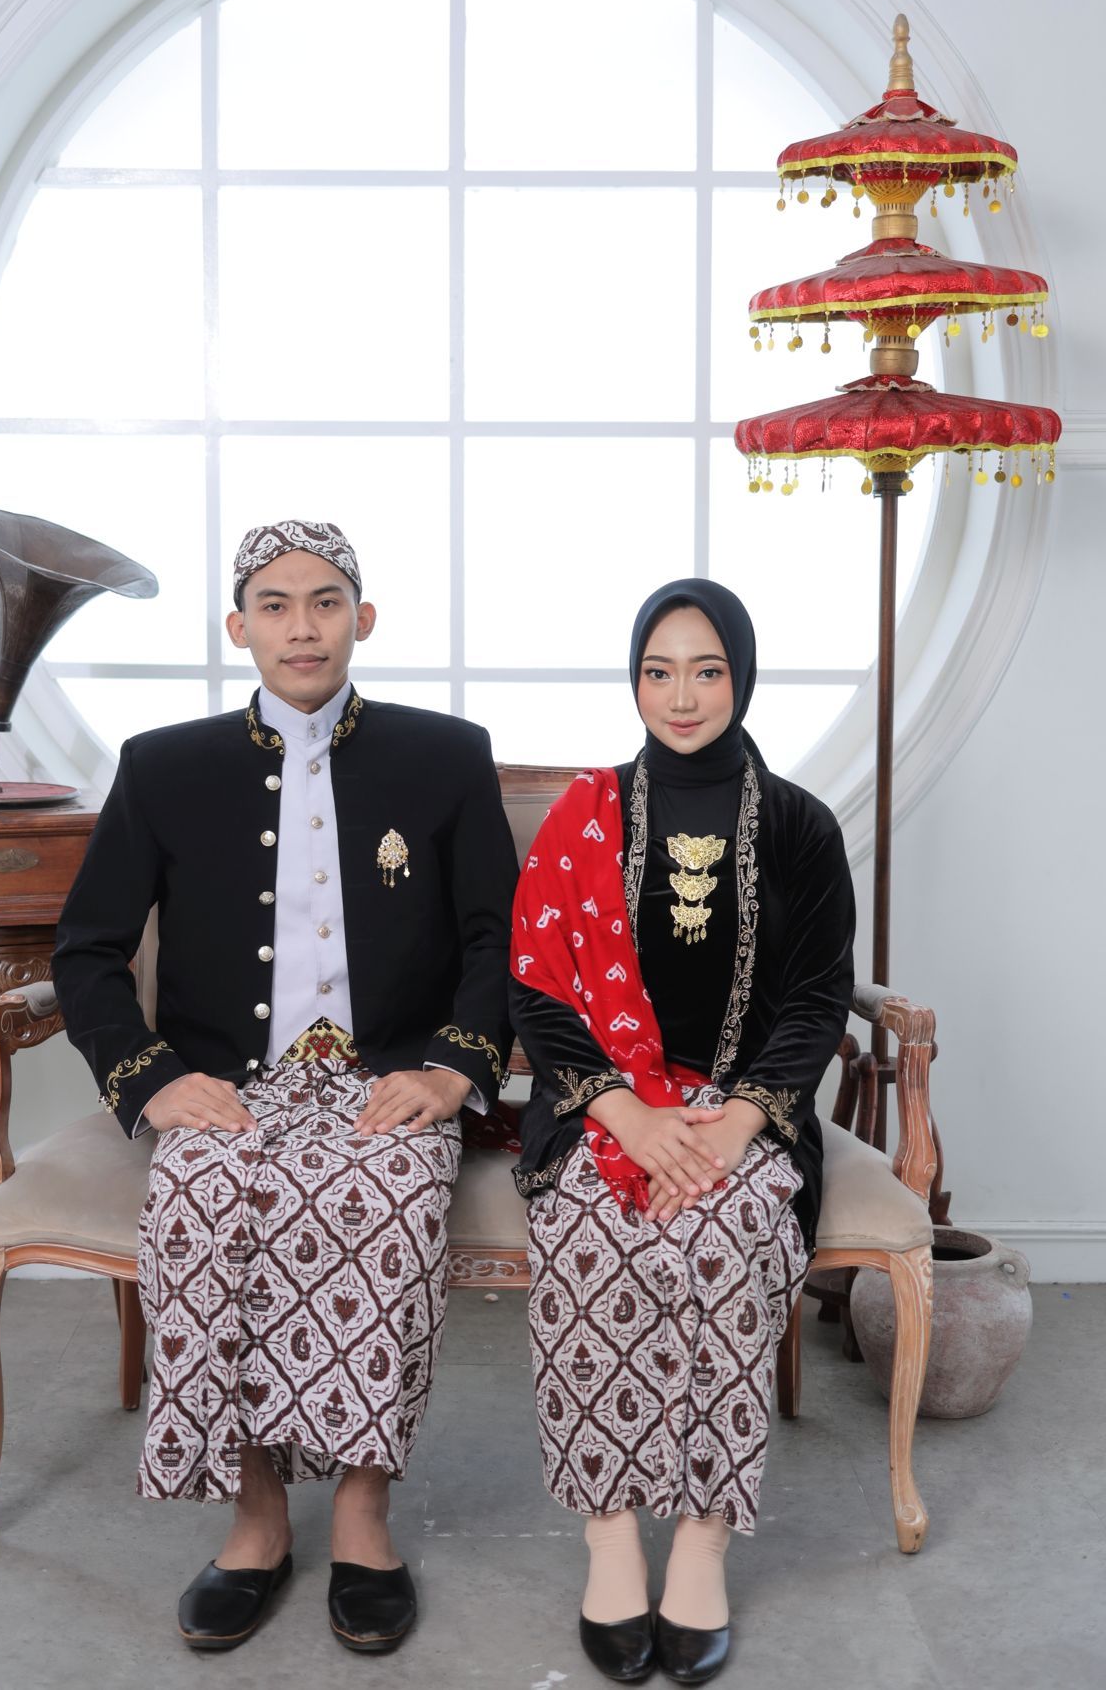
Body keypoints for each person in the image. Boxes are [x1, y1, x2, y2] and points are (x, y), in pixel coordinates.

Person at [52, 520, 516, 1655]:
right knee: (201, 1203)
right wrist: (152, 1079)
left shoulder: (446, 754)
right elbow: (87, 949)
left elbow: (496, 938)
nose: (301, 626)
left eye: (324, 602)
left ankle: (361, 1513)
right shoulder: (163, 766)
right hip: (226, 1081)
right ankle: (255, 1518)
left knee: (384, 1201)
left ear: (363, 618)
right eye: (274, 604)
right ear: (238, 627)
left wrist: (452, 1066)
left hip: (387, 1076)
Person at [509, 578, 855, 1685]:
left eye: (706, 670)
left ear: (740, 676)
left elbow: (817, 997)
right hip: (599, 1103)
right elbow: (536, 993)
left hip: (745, 1111)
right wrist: (624, 1111)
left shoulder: (799, 824)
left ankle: (702, 1540)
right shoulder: (587, 813)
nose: (682, 695)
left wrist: (734, 1123)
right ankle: (609, 1531)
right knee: (590, 1236)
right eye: (658, 671)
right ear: (634, 680)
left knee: (723, 1236)